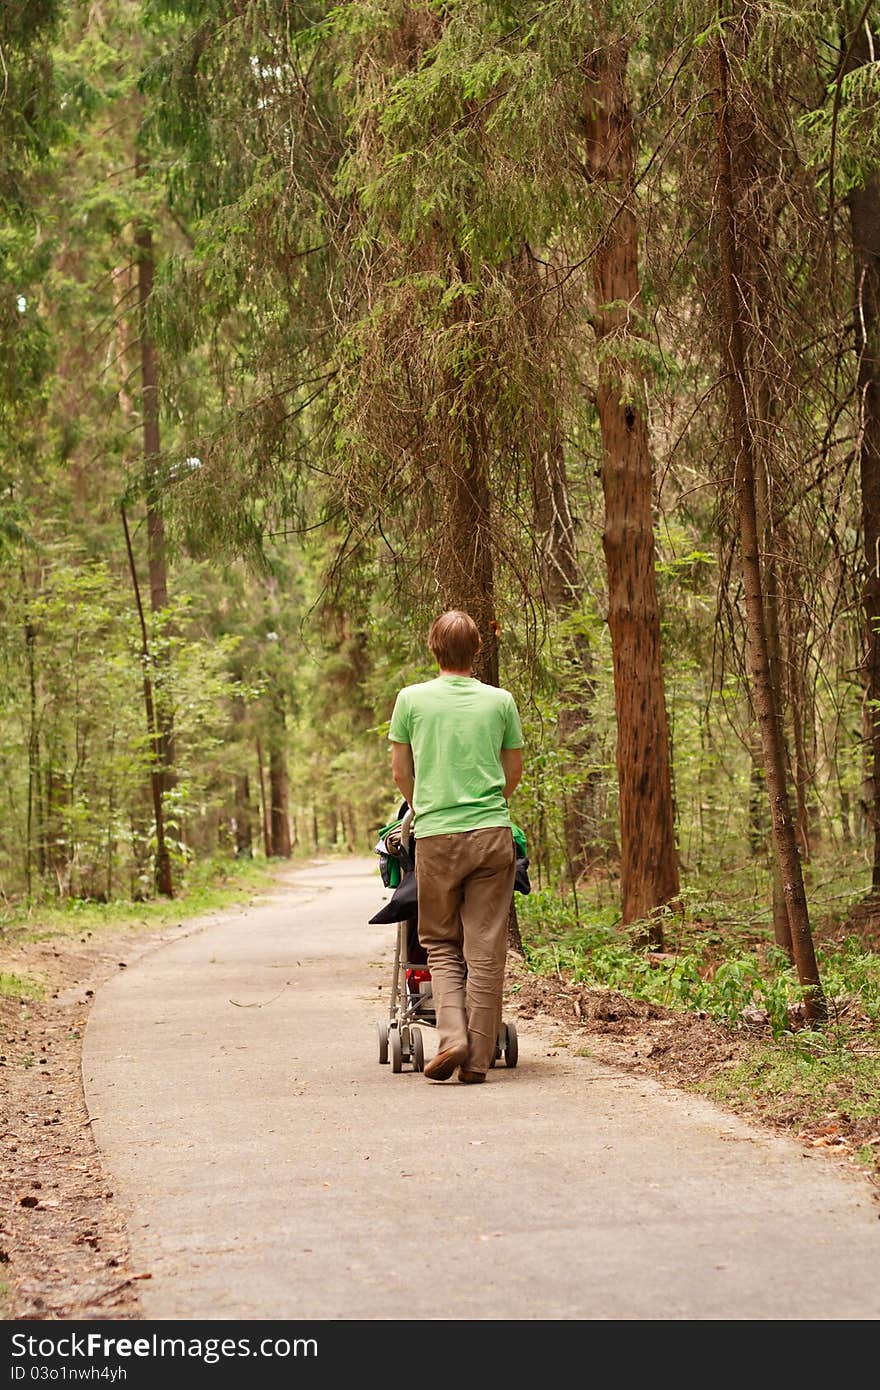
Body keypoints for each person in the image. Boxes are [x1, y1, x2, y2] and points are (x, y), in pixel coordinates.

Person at [388, 610, 523, 1084]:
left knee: (441, 943)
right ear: (478, 651)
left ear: (433, 648)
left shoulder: (411, 700)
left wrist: (422, 807)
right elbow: (512, 774)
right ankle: (478, 1059)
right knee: (485, 948)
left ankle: (451, 1037)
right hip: (491, 834)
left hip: (436, 837)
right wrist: (485, 808)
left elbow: (401, 773)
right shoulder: (501, 701)